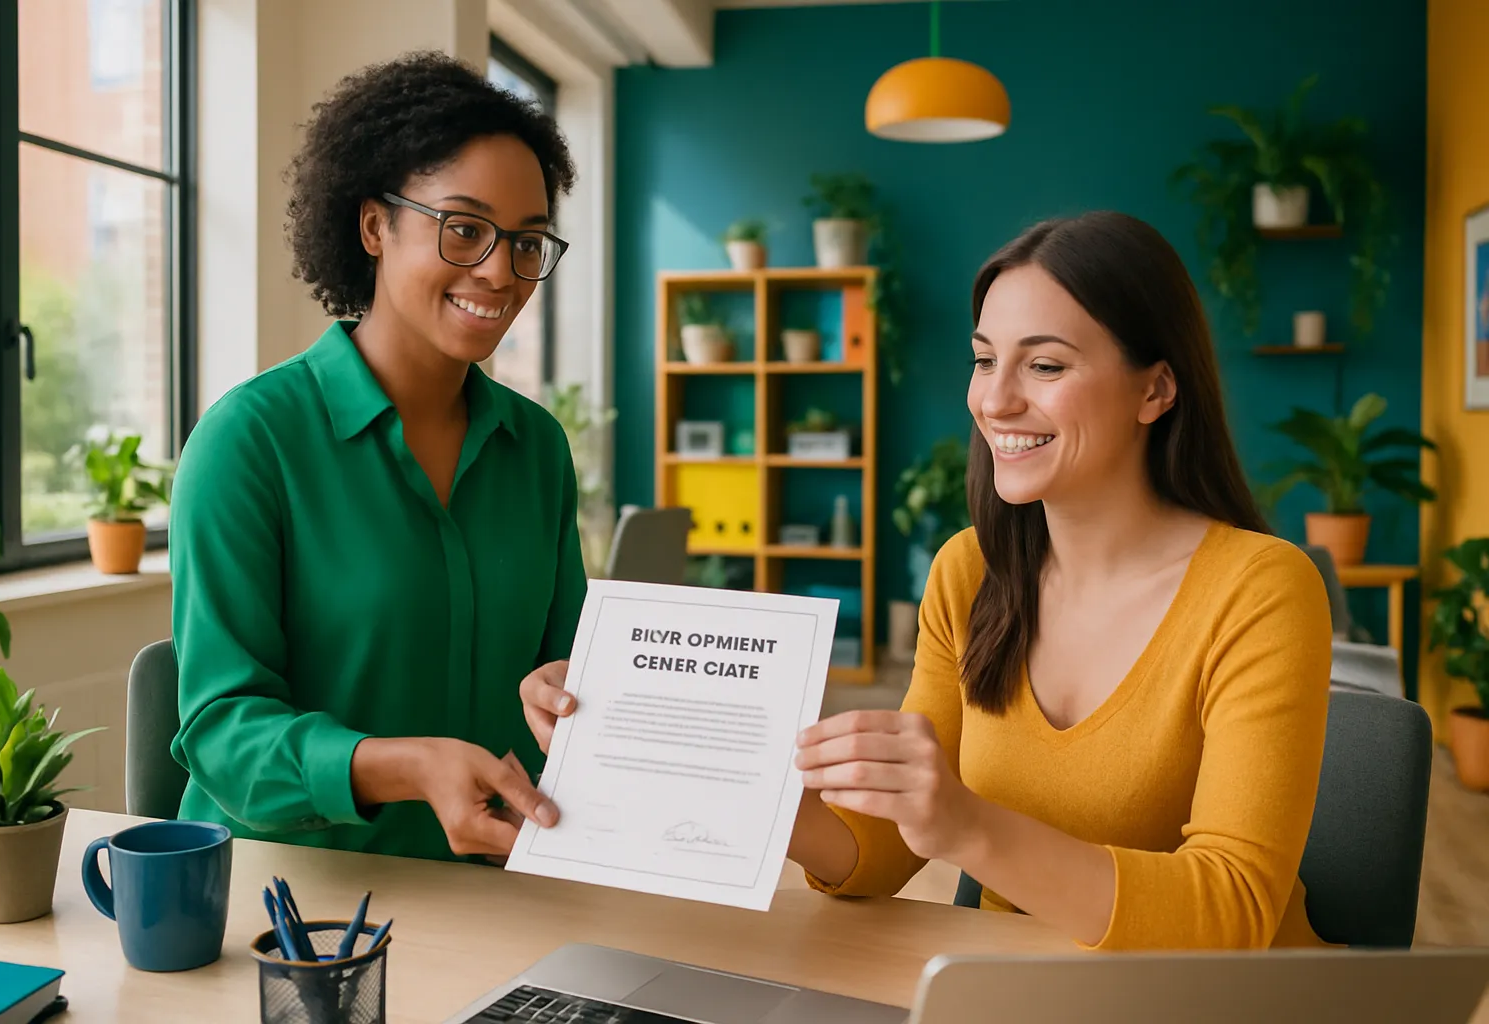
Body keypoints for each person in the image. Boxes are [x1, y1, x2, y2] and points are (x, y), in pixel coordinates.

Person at [523, 211, 1333, 949]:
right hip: (1014, 990)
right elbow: (880, 852)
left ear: (1155, 389)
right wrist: (697, 765)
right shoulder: (970, 572)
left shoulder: (1260, 590)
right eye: (984, 361)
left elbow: (1233, 913)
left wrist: (968, 827)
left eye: (1045, 365)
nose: (995, 400)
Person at [170, 51, 582, 862]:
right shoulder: (249, 442)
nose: (500, 272)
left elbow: (568, 672)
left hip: (504, 889)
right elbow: (221, 732)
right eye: (464, 230)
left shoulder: (537, 448)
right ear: (373, 227)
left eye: (527, 242)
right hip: (295, 901)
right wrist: (407, 767)